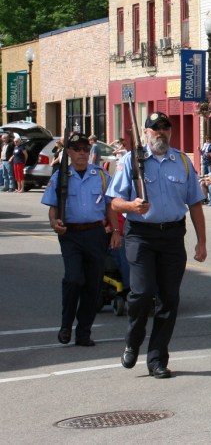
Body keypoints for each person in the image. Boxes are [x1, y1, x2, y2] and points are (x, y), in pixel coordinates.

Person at [106, 112, 207, 380]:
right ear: (146, 133)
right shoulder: (131, 161)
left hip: (172, 235)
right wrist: (131, 206)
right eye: (155, 128)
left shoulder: (182, 161)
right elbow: (114, 201)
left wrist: (202, 241)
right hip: (141, 235)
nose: (161, 131)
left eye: (165, 127)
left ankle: (157, 359)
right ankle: (133, 340)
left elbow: (195, 203)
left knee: (169, 299)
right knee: (142, 292)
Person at [42, 131, 120, 346]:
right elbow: (53, 207)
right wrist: (54, 222)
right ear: (68, 152)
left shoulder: (101, 175)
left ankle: (84, 332)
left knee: (93, 285)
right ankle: (66, 324)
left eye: (86, 149)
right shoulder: (60, 177)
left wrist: (115, 231)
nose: (82, 153)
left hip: (96, 234)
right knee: (74, 279)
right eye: (77, 149)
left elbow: (110, 206)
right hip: (71, 234)